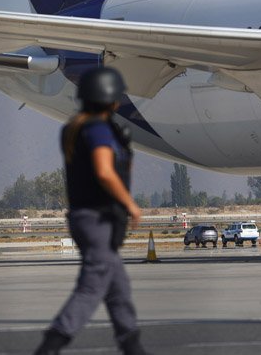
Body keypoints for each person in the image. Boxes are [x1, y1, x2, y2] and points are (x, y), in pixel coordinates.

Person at [34, 67, 150, 355]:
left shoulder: (76, 127)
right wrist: (130, 204)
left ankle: (132, 346)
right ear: (110, 99)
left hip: (88, 218)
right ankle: (51, 344)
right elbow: (104, 172)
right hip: (97, 218)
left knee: (118, 288)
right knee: (91, 287)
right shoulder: (97, 129)